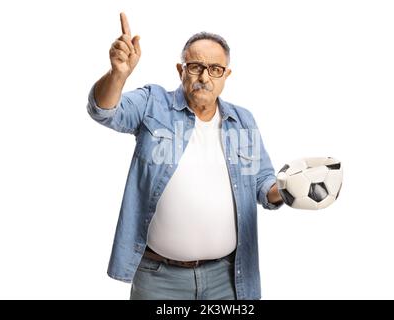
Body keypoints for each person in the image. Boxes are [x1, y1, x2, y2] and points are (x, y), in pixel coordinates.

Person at [87, 12, 283, 300]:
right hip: (158, 279)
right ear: (181, 70)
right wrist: (118, 74)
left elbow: (263, 184)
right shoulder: (153, 104)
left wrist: (289, 189)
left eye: (215, 69)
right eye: (195, 67)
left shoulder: (243, 121)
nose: (205, 77)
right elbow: (103, 111)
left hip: (226, 279)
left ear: (226, 75)